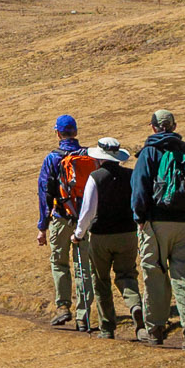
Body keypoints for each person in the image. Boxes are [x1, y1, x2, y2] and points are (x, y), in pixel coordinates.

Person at [130, 108, 185, 350]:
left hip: (156, 223)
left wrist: (139, 218)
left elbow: (139, 188)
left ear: (153, 128)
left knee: (155, 275)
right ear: (175, 126)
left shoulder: (149, 152)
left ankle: (155, 330)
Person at [72, 136, 143, 340]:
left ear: (100, 157)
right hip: (128, 234)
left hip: (101, 236)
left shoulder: (96, 177)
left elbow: (87, 211)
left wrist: (78, 234)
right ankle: (135, 306)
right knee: (127, 275)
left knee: (101, 281)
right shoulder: (131, 175)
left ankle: (107, 327)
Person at [34, 114, 95, 330]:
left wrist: (43, 226)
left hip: (60, 217)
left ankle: (62, 307)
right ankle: (84, 315)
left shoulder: (52, 158)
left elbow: (44, 194)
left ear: (58, 133)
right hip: (85, 219)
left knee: (59, 263)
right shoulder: (89, 155)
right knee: (83, 266)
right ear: (75, 132)